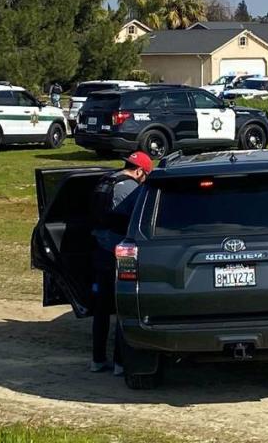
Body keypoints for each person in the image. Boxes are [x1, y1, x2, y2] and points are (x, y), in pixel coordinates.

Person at [89, 151, 153, 374]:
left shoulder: (106, 181)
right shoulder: (132, 189)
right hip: (120, 254)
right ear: (139, 171)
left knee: (101, 310)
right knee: (123, 308)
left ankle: (97, 360)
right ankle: (120, 363)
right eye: (145, 175)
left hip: (99, 250)